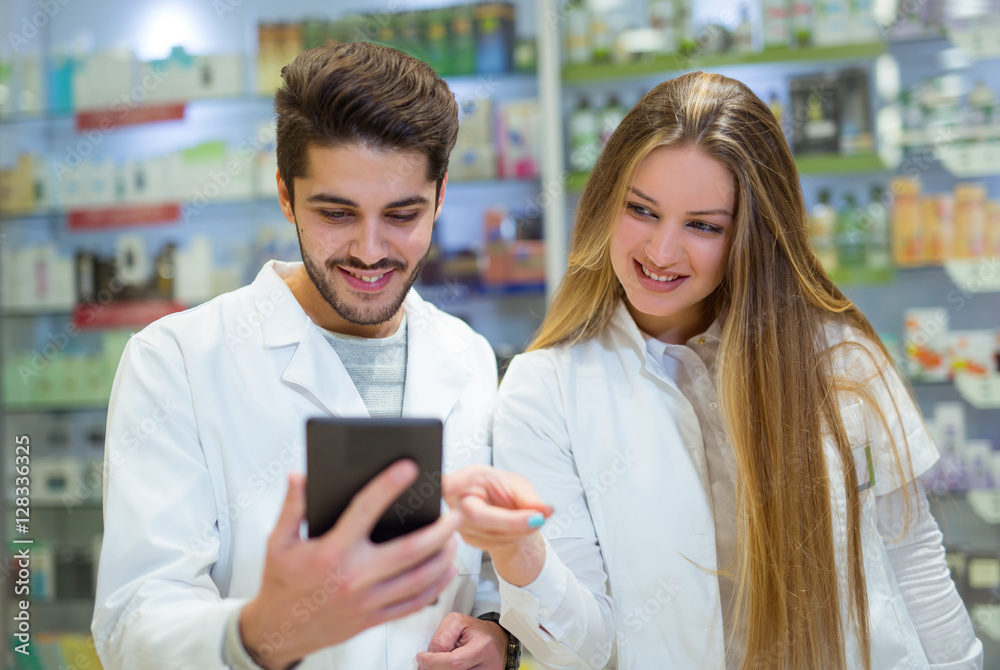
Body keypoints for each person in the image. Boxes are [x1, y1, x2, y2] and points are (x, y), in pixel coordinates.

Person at [443, 71, 984, 669]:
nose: (661, 251)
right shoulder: (545, 391)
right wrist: (523, 555)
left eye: (703, 226)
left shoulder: (841, 355)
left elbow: (913, 561)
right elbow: (582, 650)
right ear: (605, 204)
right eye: (642, 210)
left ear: (752, 236)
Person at [92, 42, 518, 670]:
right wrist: (262, 631)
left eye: (402, 214)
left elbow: (484, 574)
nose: (370, 251)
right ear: (287, 196)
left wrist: (496, 636)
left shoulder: (467, 355)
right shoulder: (176, 360)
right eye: (337, 213)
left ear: (441, 197)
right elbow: (132, 623)